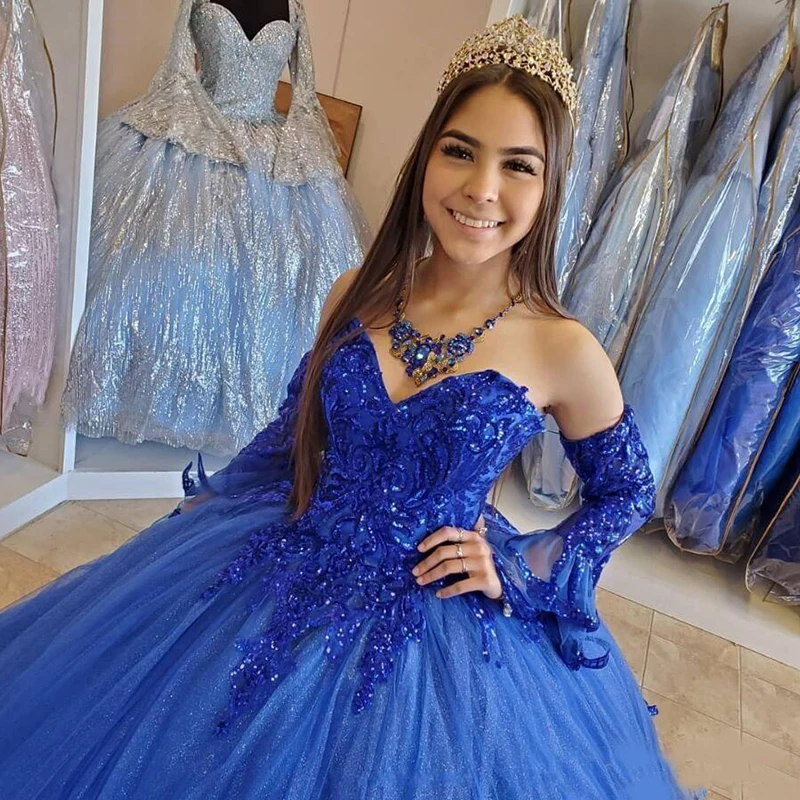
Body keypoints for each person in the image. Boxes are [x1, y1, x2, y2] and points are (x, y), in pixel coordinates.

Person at [0, 16, 704, 799]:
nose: (482, 189)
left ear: (552, 185)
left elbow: (625, 491)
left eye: (518, 165)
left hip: (431, 633)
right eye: (460, 150)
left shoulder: (562, 347)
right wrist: (198, 520)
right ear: (426, 155)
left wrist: (518, 567)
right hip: (286, 556)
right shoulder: (358, 290)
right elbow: (293, 432)